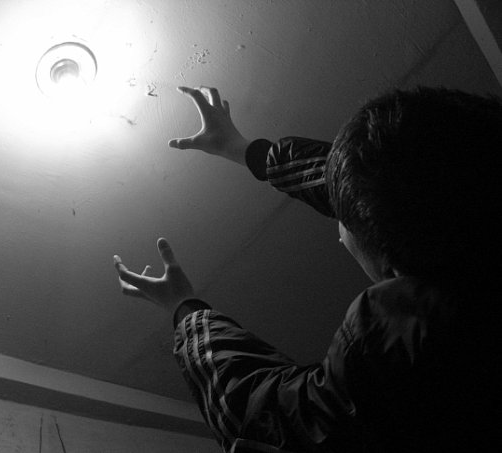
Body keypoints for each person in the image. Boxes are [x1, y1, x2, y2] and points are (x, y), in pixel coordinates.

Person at [113, 86, 502, 452]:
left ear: (389, 262)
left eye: (345, 223)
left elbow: (270, 422)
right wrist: (245, 150)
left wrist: (185, 310)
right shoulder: (476, 188)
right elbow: (378, 181)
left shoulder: (408, 336)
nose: (339, 235)